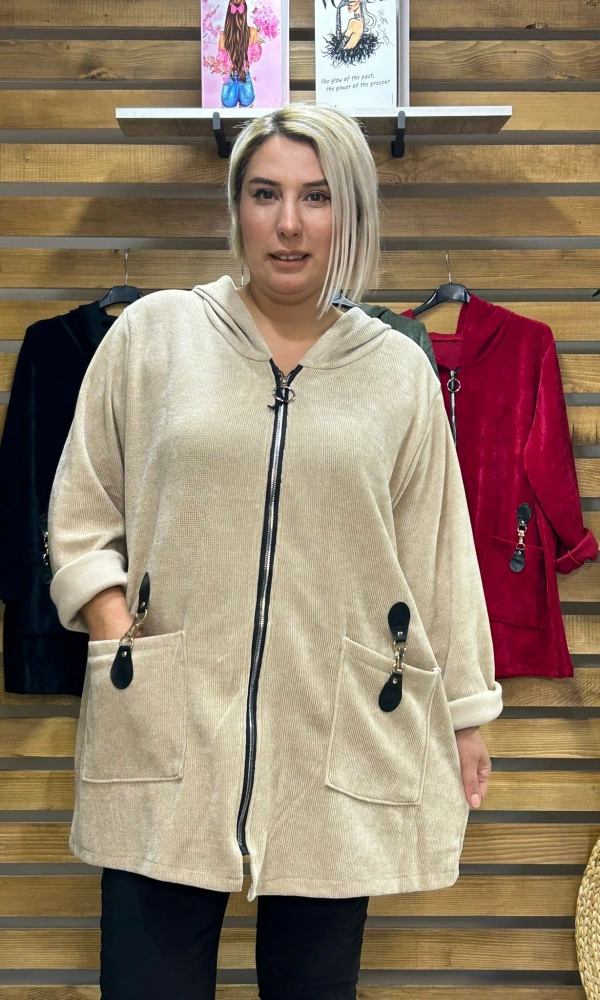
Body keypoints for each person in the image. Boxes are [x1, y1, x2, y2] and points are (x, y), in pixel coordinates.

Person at [47, 103, 502, 1000]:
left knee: (313, 988)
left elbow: (438, 552)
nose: (289, 223)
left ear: (350, 213)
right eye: (265, 194)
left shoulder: (398, 372)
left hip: (335, 722)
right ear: (236, 208)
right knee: (146, 985)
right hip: (167, 719)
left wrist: (464, 712)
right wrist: (113, 624)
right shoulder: (154, 337)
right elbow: (82, 505)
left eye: (316, 197)